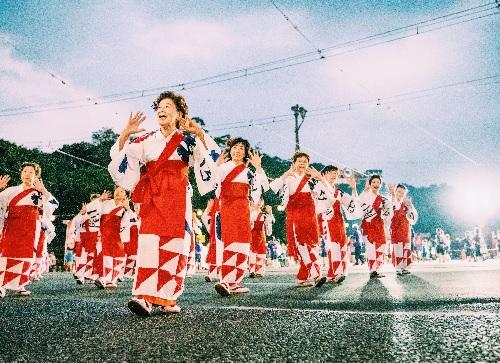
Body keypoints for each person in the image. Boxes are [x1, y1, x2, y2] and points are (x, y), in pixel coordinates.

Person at [108, 91, 218, 316]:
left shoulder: (188, 140)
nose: (162, 109)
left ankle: (167, 298)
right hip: (152, 197)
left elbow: (212, 159)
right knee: (149, 244)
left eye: (168, 106)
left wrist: (199, 133)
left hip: (178, 197)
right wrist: (125, 134)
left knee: (174, 247)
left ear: (179, 114)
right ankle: (144, 297)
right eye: (159, 106)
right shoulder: (146, 139)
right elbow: (120, 158)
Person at [213, 137, 269, 296]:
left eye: (241, 149)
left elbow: (260, 191)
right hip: (227, 209)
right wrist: (216, 167)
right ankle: (225, 280)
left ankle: (235, 281)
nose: (237, 151)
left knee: (243, 245)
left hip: (244, 209)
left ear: (246, 153)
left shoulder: (249, 172)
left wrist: (258, 168)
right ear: (230, 150)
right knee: (230, 244)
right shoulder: (222, 168)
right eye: (235, 147)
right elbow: (215, 190)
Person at [270, 152, 332, 288]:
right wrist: (286, 174)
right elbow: (272, 189)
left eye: (305, 161)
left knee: (312, 245)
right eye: (299, 161)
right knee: (302, 245)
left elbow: (329, 195)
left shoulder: (311, 180)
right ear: (293, 163)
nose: (302, 164)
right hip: (295, 215)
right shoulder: (288, 178)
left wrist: (320, 178)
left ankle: (303, 276)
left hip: (310, 216)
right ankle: (316, 274)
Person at [0, 163, 58, 298]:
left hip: (31, 229)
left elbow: (54, 205)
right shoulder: (11, 191)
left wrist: (43, 190)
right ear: (21, 174)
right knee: (6, 255)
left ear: (36, 176)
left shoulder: (39, 193)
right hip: (12, 227)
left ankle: (20, 284)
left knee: (26, 257)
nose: (27, 174)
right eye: (25, 171)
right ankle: (1, 286)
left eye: (31, 172)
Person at [318, 165, 359, 284]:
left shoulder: (339, 192)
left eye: (336, 174)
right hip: (327, 220)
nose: (334, 175)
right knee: (333, 246)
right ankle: (337, 273)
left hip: (339, 221)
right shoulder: (319, 188)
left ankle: (334, 273)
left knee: (341, 246)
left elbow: (353, 205)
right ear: (324, 174)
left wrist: (353, 189)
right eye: (331, 173)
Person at [357, 175, 393, 278]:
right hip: (368, 224)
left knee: (381, 245)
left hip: (379, 225)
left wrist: (392, 194)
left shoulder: (383, 199)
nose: (376, 184)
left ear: (380, 185)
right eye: (374, 182)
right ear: (370, 184)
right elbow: (358, 204)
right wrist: (364, 191)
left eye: (378, 182)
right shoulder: (365, 195)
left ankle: (377, 268)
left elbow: (389, 212)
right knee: (370, 248)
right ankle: (372, 270)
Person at [388, 183, 418, 275]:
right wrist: (393, 196)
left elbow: (413, 217)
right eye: (399, 191)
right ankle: (398, 268)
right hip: (396, 228)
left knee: (406, 248)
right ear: (395, 191)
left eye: (403, 193)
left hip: (406, 229)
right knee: (398, 248)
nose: (400, 194)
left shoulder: (407, 204)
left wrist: (410, 207)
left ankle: (405, 267)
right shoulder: (391, 201)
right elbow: (390, 212)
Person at [249, 202, 274, 278]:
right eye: (255, 201)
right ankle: (252, 270)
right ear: (251, 203)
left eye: (260, 200)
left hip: (261, 235)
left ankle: (259, 271)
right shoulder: (250, 213)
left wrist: (270, 214)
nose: (258, 203)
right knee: (253, 252)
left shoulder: (264, 215)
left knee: (261, 252)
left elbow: (269, 230)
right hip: (253, 235)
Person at [201, 198, 221, 282]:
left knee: (221, 255)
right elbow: (205, 219)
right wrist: (208, 208)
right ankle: (211, 275)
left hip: (221, 237)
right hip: (214, 238)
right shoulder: (211, 213)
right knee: (213, 256)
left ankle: (221, 275)